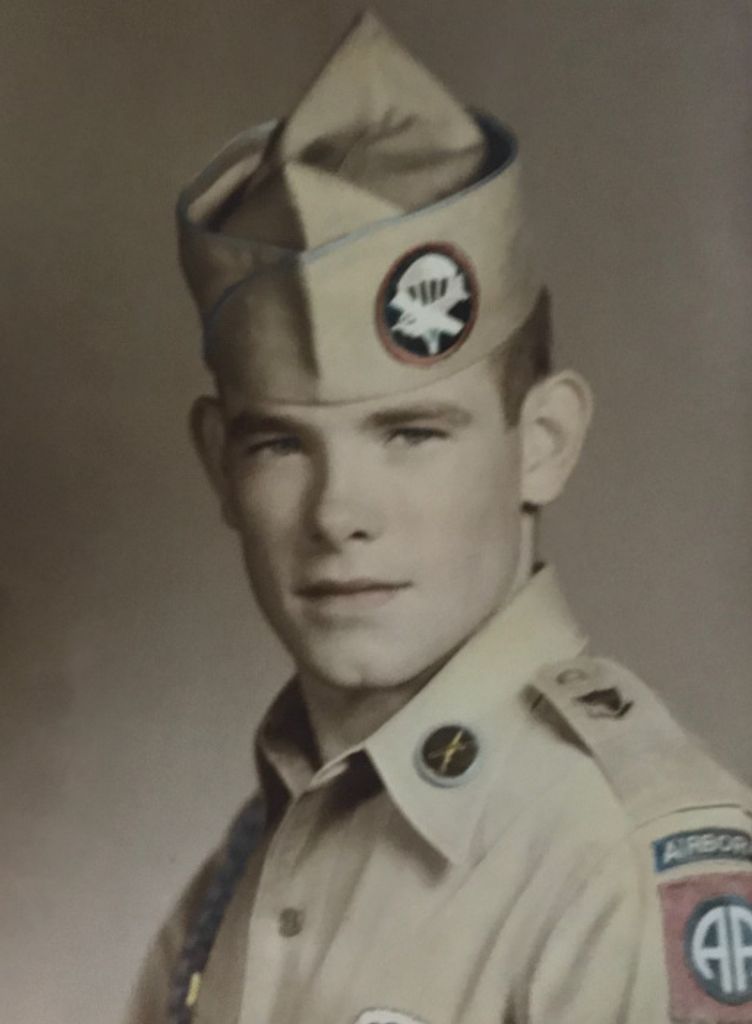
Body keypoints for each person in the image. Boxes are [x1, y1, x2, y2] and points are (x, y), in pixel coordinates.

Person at [125, 12, 752, 1024]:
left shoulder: (616, 868)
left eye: (411, 433)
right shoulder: (236, 880)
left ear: (541, 442)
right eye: (280, 444)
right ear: (219, 466)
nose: (339, 513)